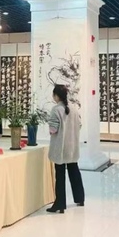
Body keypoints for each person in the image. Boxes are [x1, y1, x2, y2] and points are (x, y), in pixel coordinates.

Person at [46, 84, 85, 213]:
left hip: (60, 147)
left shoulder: (56, 109)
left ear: (56, 96)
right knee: (74, 172)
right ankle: (80, 198)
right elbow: (79, 125)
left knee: (60, 175)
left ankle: (60, 204)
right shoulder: (73, 108)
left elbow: (53, 129)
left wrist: (51, 129)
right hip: (72, 146)